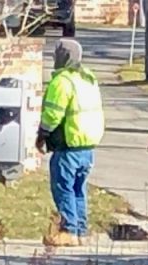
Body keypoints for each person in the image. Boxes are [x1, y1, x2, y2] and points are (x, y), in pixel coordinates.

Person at [37, 39, 105, 247]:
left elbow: (52, 115)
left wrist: (41, 135)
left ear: (62, 57)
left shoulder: (62, 82)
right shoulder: (88, 78)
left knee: (63, 188)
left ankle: (68, 231)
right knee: (78, 189)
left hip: (68, 145)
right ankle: (81, 231)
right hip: (87, 147)